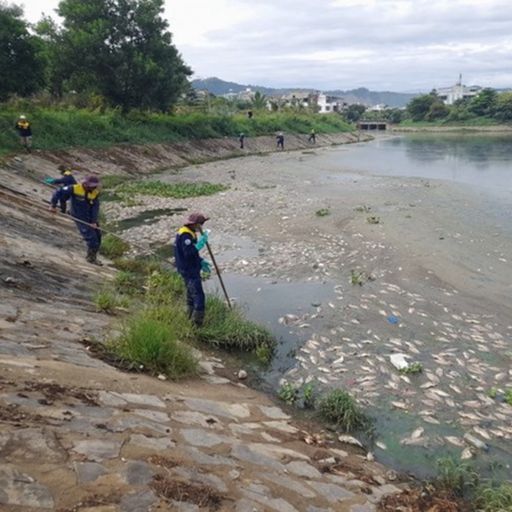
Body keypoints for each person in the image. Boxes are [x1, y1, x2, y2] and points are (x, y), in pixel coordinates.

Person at [50, 175, 103, 265]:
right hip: (79, 216)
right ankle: (91, 259)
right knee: (92, 239)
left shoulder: (95, 193)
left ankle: (92, 255)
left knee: (98, 236)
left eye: (94, 186)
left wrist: (93, 221)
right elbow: (58, 192)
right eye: (91, 186)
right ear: (85, 184)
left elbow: (95, 207)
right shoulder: (74, 188)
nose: (93, 187)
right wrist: (53, 205)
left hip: (90, 217)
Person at [174, 213, 212, 327]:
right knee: (199, 296)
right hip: (189, 270)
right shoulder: (185, 235)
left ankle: (188, 318)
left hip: (188, 267)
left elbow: (191, 254)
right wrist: (201, 243)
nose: (202, 226)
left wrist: (200, 261)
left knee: (191, 294)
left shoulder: (188, 232)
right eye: (201, 224)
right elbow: (189, 253)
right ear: (195, 224)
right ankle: (197, 324)